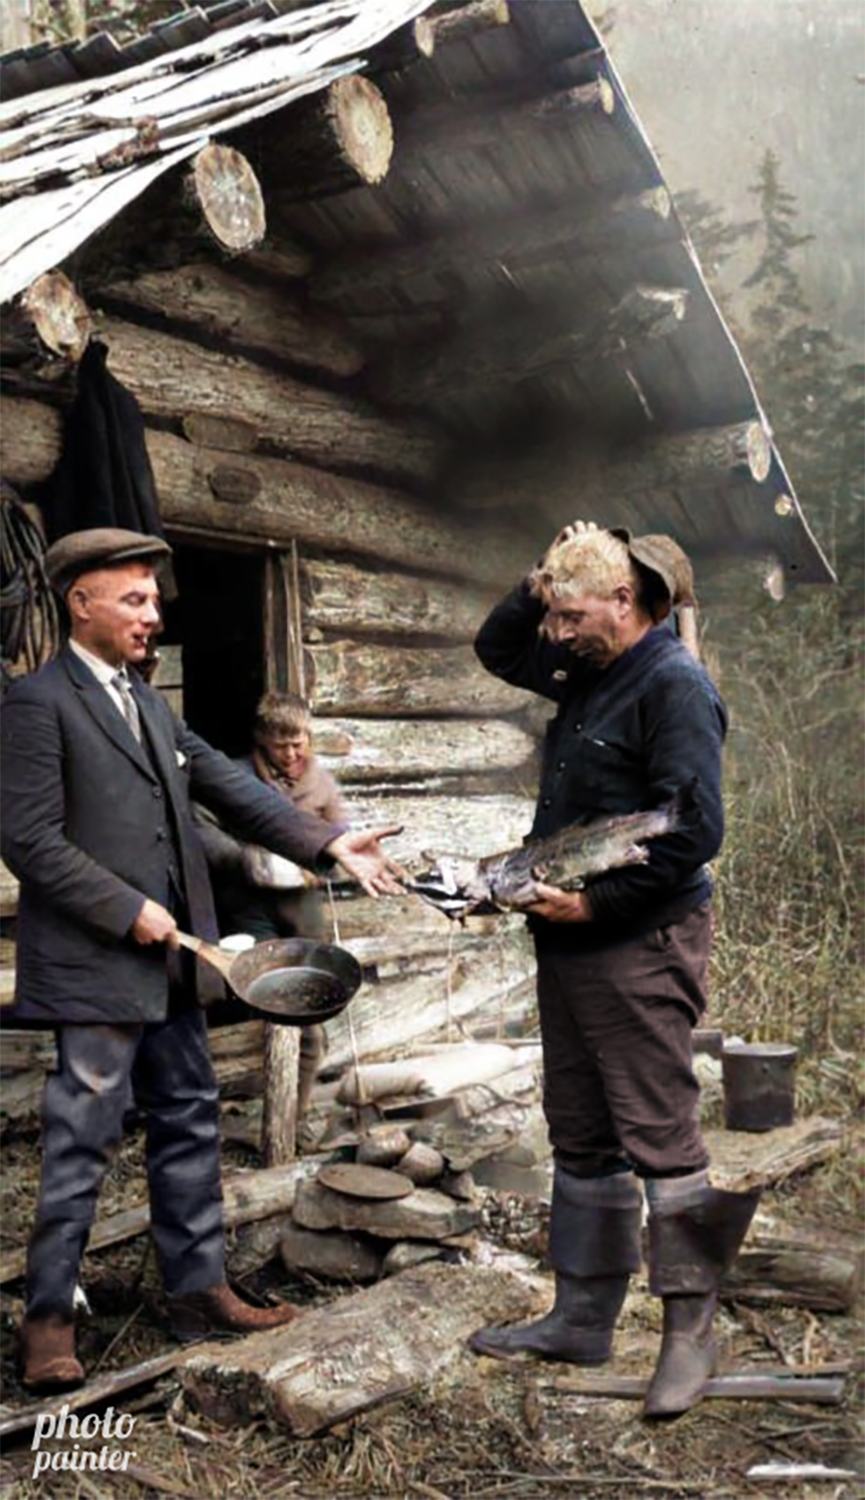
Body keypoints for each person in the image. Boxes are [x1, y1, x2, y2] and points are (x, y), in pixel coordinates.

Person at [0, 528, 402, 1393]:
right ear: (82, 603)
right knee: (81, 1141)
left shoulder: (148, 706)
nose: (153, 614)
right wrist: (126, 908)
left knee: (187, 1117)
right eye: (135, 598)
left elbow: (229, 786)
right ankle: (47, 1321)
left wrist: (328, 841)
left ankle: (196, 1291)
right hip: (96, 966)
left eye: (155, 599)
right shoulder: (37, 704)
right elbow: (27, 839)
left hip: (179, 966)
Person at [469, 521, 759, 1419]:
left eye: (571, 614)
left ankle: (688, 1333)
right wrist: (541, 583)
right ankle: (583, 1315)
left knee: (657, 1135)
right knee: (581, 1130)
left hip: (635, 937)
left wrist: (596, 906)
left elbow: (691, 831)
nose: (554, 633)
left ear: (625, 603)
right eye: (552, 615)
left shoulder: (672, 685)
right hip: (566, 940)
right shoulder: (585, 662)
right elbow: (497, 647)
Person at [195, 690, 346, 1123]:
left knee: (310, 1002)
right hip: (250, 906)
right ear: (262, 739)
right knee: (271, 999)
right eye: (283, 745)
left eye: (300, 743)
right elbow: (199, 823)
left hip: (303, 907)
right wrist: (244, 858)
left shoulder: (320, 779)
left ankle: (293, 1116)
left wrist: (321, 868)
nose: (293, 753)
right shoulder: (236, 776)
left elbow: (342, 836)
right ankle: (254, 1109)